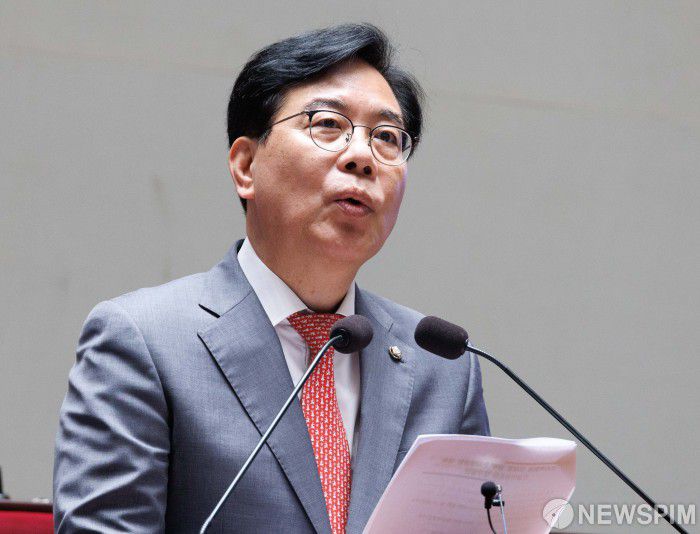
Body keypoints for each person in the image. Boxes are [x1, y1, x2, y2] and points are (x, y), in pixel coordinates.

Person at [53, 23, 490, 533]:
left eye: (387, 138)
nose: (362, 157)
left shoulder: (443, 367)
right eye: (328, 124)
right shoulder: (144, 341)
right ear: (245, 166)